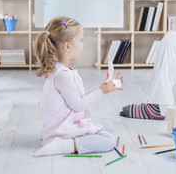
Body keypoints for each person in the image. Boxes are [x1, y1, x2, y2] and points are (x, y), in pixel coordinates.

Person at [33, 16, 122, 156]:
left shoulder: (63, 70)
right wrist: (101, 91)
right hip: (63, 128)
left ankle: (71, 140)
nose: (83, 44)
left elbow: (77, 98)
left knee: (108, 125)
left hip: (68, 121)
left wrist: (102, 87)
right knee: (108, 140)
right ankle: (65, 145)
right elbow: (79, 105)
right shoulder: (62, 75)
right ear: (67, 46)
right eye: (81, 40)